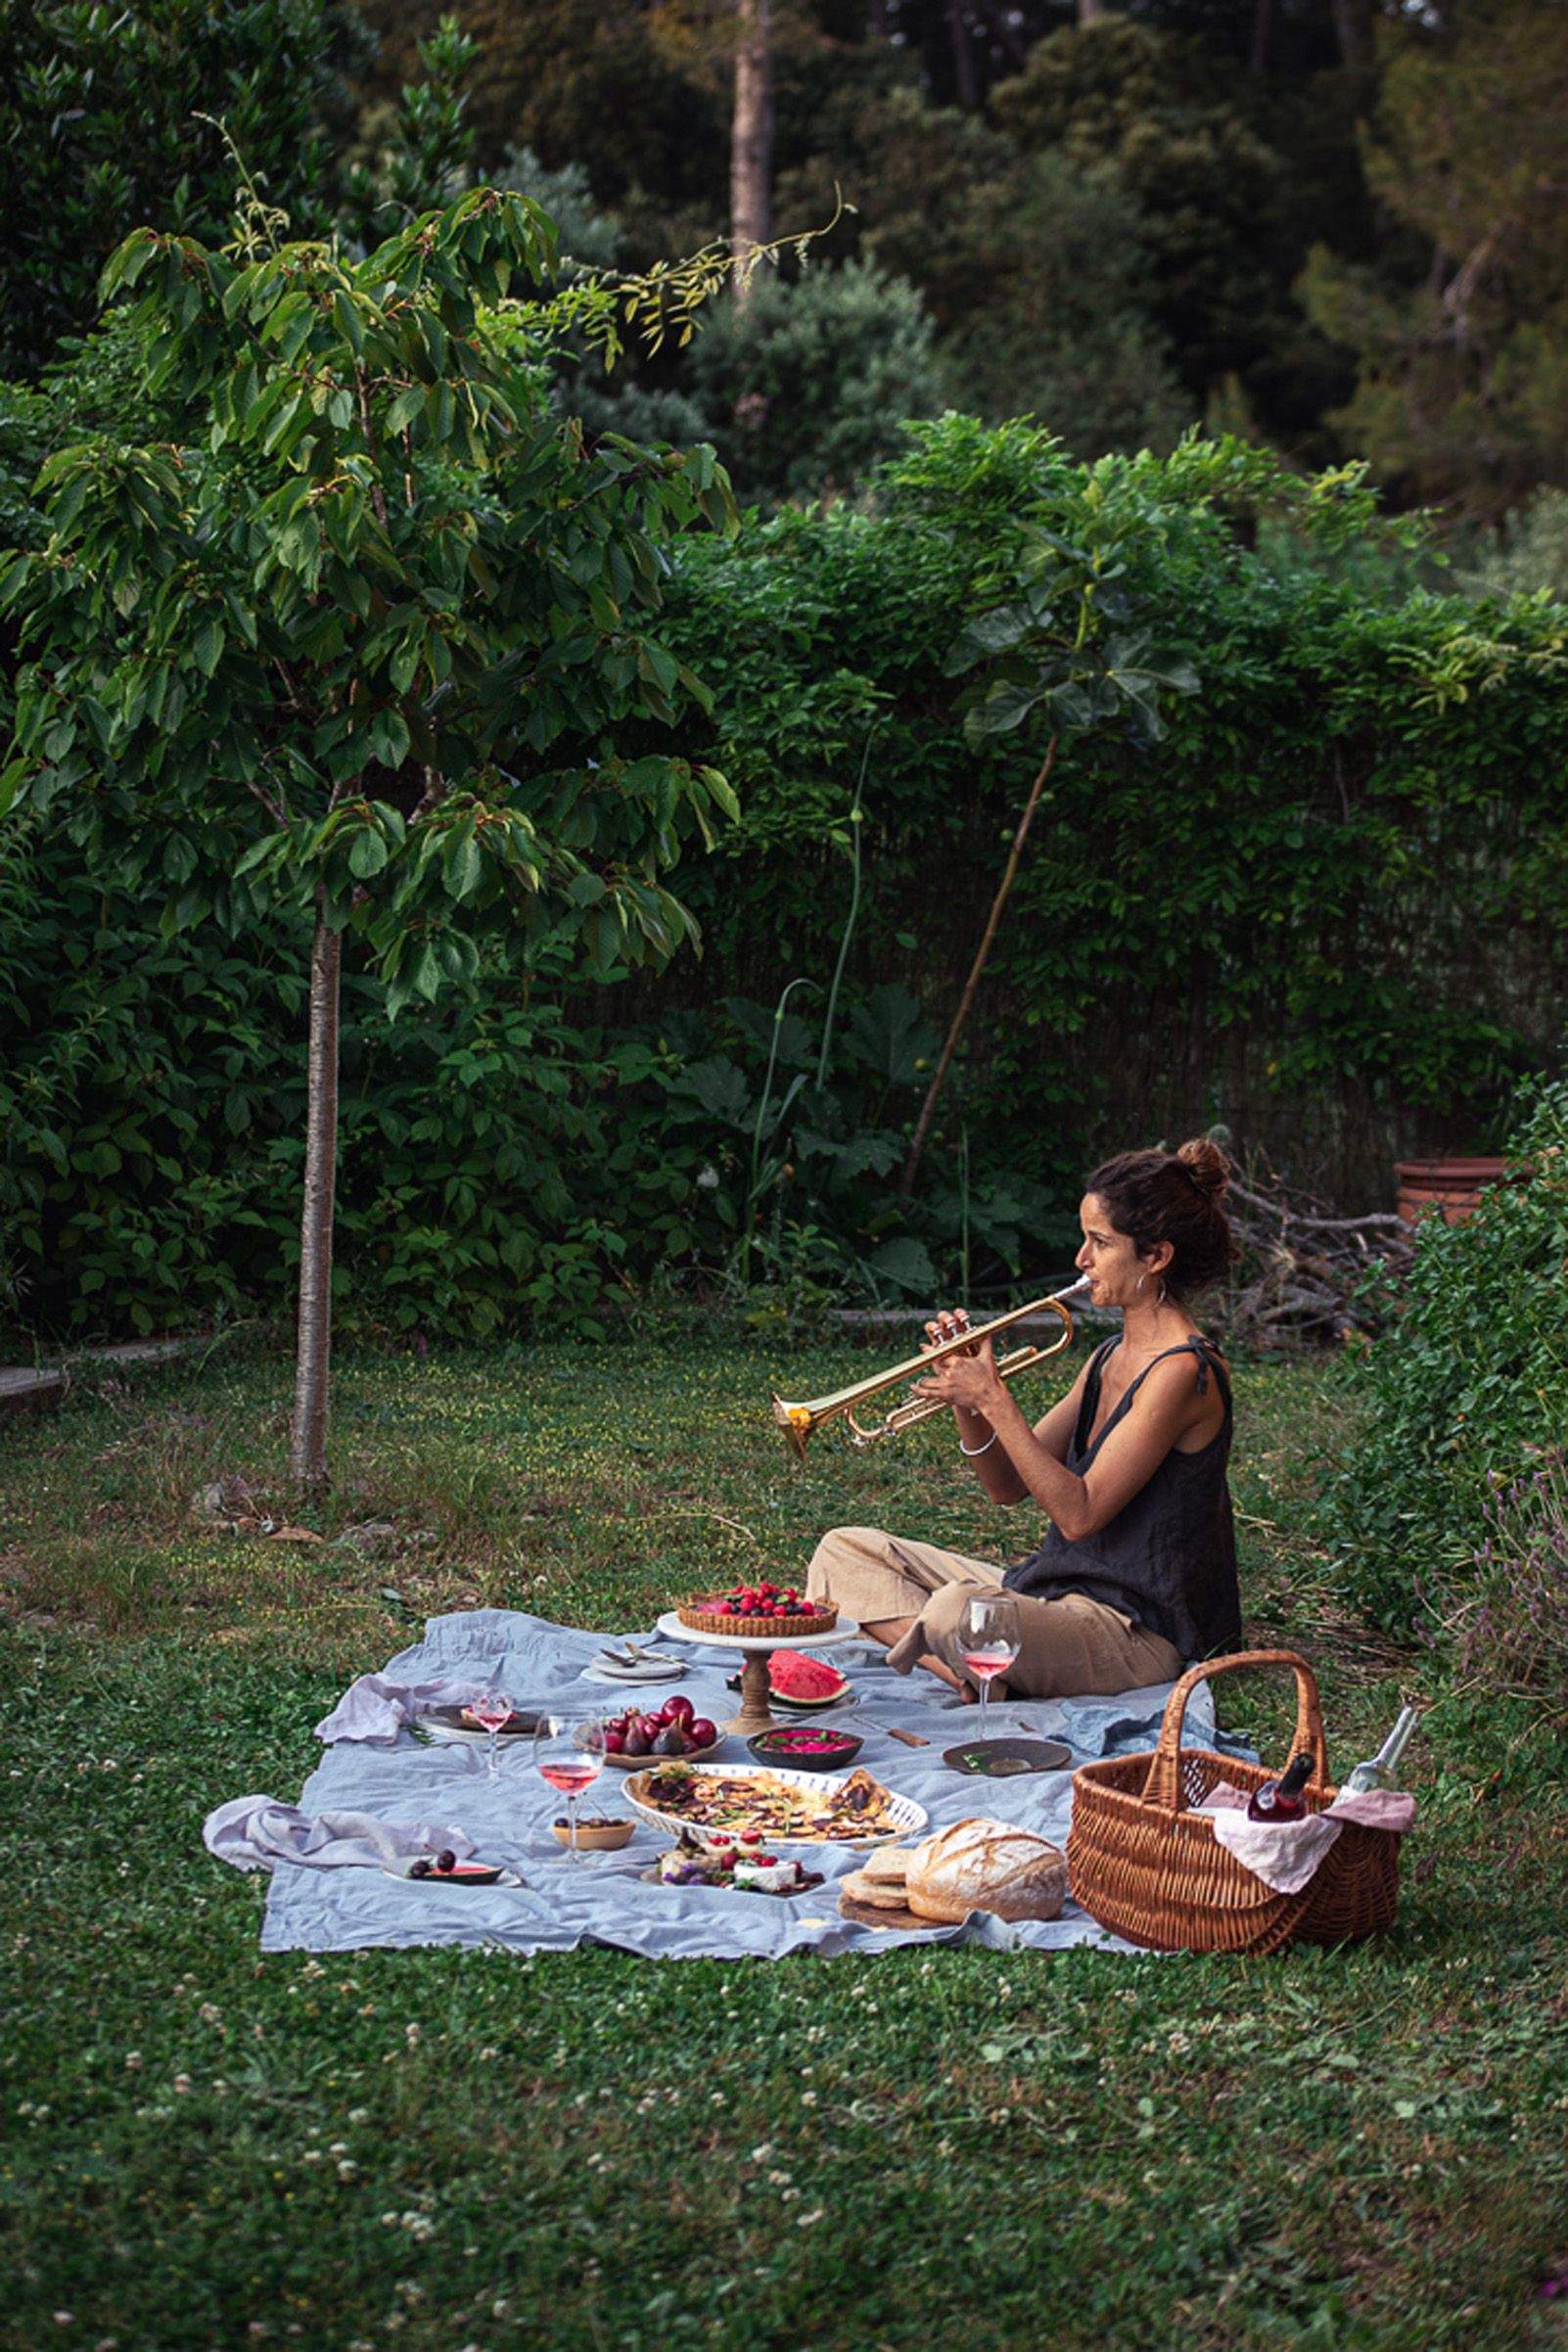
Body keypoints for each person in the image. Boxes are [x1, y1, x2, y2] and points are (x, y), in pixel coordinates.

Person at [804, 1137, 1242, 1700]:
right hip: (1054, 1593)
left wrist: (995, 1400)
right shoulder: (1108, 1356)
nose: (1081, 1260)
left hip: (1135, 1630)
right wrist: (968, 1401)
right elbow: (1005, 1486)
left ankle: (972, 1662)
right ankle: (968, 1674)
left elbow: (1078, 1513)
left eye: (1100, 1243)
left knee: (953, 1611)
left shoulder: (1184, 1371)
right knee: (844, 1551)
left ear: (1156, 1257)